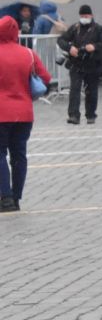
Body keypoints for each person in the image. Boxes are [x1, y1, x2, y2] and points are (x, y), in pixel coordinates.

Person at [0, 15, 53, 212]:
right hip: (24, 114)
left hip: (1, 114)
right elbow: (46, 78)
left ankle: (4, 198)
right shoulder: (28, 54)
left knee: (0, 154)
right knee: (19, 155)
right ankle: (16, 198)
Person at [57, 4, 102, 126]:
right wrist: (70, 48)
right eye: (82, 16)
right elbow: (61, 40)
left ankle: (91, 115)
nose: (84, 18)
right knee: (74, 90)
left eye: (86, 16)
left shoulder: (98, 29)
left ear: (91, 15)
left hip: (93, 64)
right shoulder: (75, 28)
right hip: (77, 63)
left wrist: (94, 47)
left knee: (91, 91)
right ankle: (73, 115)